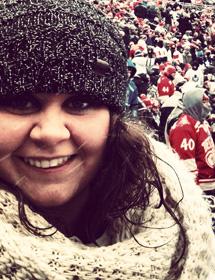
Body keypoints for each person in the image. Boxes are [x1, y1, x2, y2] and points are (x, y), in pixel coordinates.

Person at [0, 1, 215, 279]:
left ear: (114, 122)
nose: (51, 133)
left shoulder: (184, 226)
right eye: (21, 102)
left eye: (80, 102)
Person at [168, 88, 215, 191]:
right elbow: (186, 166)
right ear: (193, 102)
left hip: (210, 181)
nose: (208, 104)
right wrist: (193, 192)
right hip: (201, 188)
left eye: (207, 100)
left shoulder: (201, 121)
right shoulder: (183, 127)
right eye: (203, 101)